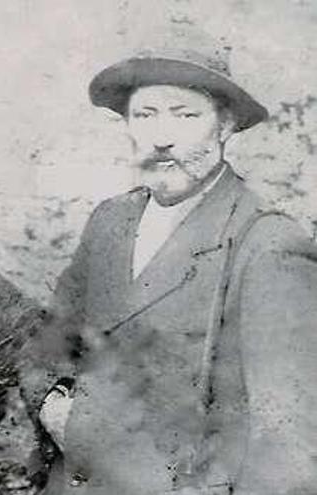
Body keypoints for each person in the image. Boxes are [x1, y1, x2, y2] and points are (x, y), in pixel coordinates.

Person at [27, 28, 317, 494]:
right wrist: (56, 409)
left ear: (225, 126)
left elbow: (288, 450)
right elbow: (45, 346)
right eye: (145, 114)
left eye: (184, 115)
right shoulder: (110, 223)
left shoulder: (266, 244)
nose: (161, 137)